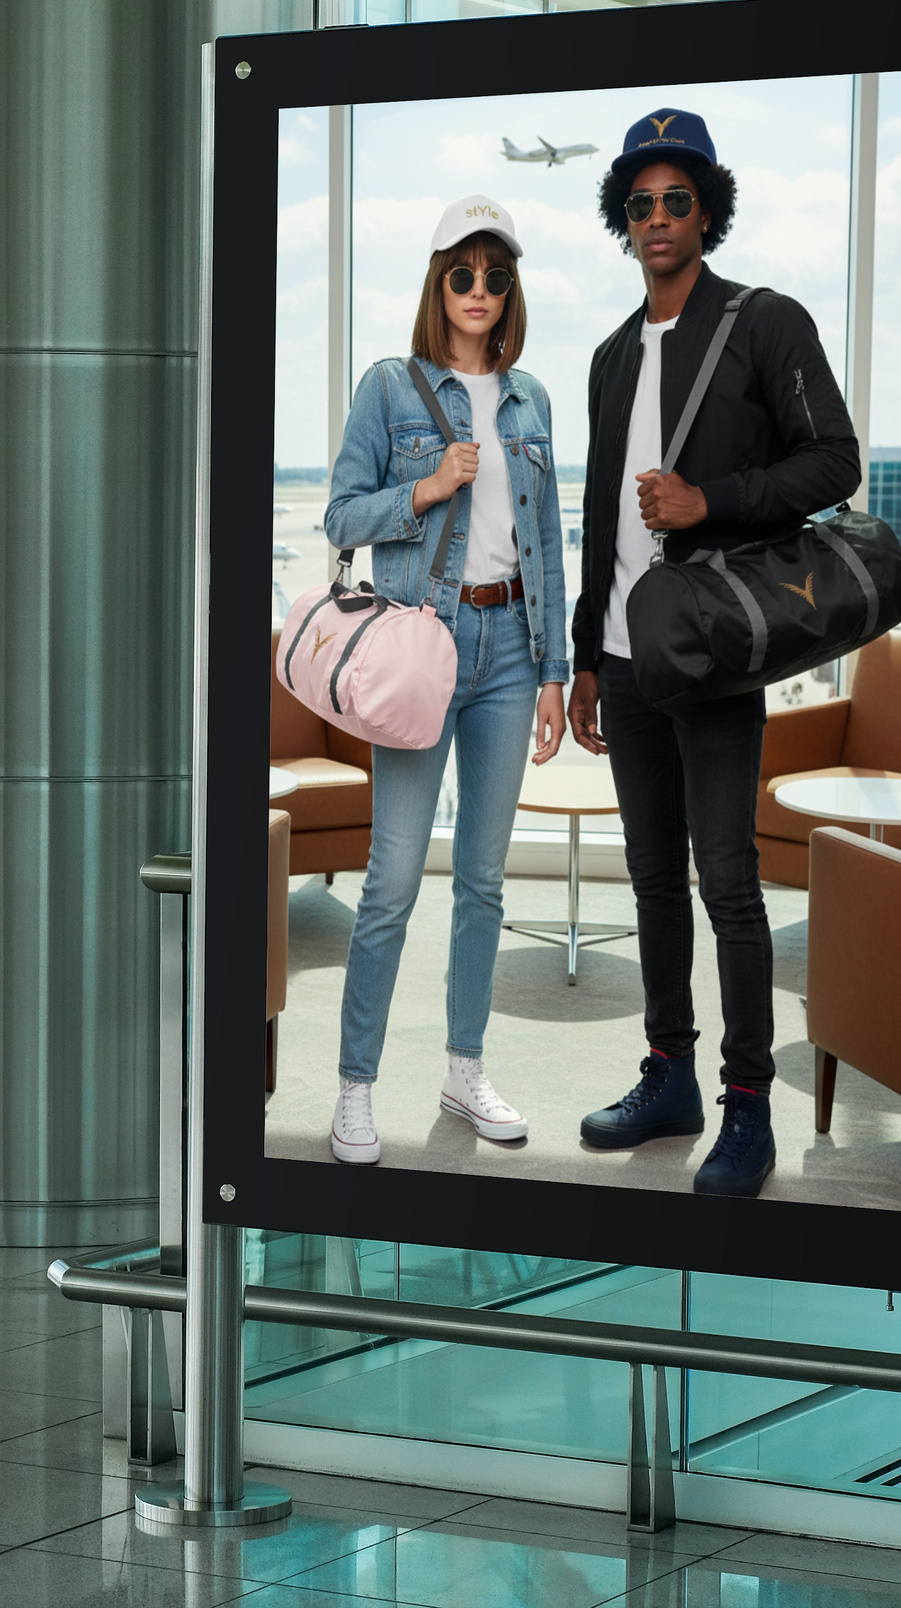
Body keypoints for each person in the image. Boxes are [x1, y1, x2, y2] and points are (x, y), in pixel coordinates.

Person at [568, 109, 861, 1198]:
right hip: (625, 656)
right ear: (623, 217)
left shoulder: (762, 323)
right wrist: (584, 653)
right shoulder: (610, 356)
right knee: (652, 878)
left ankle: (748, 1106)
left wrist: (711, 501)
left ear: (707, 211)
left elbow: (835, 460)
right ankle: (669, 1077)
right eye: (639, 202)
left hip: (714, 649)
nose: (657, 218)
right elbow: (601, 515)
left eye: (676, 200)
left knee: (727, 882)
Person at [321, 194, 569, 1167]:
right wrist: (424, 489)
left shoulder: (531, 398)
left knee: (482, 882)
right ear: (439, 283)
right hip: (422, 645)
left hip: (511, 649)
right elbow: (342, 516)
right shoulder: (390, 386)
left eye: (494, 276)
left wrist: (554, 672)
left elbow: (548, 543)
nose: (478, 290)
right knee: (390, 882)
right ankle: (355, 1087)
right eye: (462, 274)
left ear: (509, 291)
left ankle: (465, 1071)